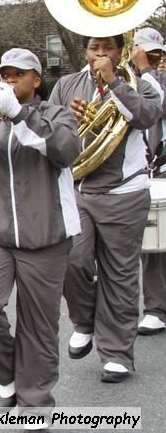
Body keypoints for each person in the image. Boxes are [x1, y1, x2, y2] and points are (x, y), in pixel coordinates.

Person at [0, 48, 82, 433]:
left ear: (36, 81)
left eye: (19, 75)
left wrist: (17, 114)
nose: (10, 81)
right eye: (5, 75)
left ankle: (35, 407)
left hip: (47, 238)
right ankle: (8, 375)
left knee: (39, 326)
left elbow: (65, 151)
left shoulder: (56, 114)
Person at [51, 34, 162, 382]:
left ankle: (117, 354)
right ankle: (84, 320)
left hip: (124, 192)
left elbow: (147, 116)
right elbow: (48, 126)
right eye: (95, 48)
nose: (101, 54)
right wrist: (69, 119)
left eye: (108, 48)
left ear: (120, 51)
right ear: (85, 51)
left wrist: (114, 82)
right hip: (78, 188)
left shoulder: (141, 81)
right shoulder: (68, 84)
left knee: (120, 274)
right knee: (73, 259)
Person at [129, 28, 166, 335]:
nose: (153, 60)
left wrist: (147, 71)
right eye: (148, 54)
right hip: (148, 169)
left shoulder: (152, 79)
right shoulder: (128, 81)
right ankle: (155, 307)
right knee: (153, 243)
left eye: (157, 55)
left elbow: (158, 106)